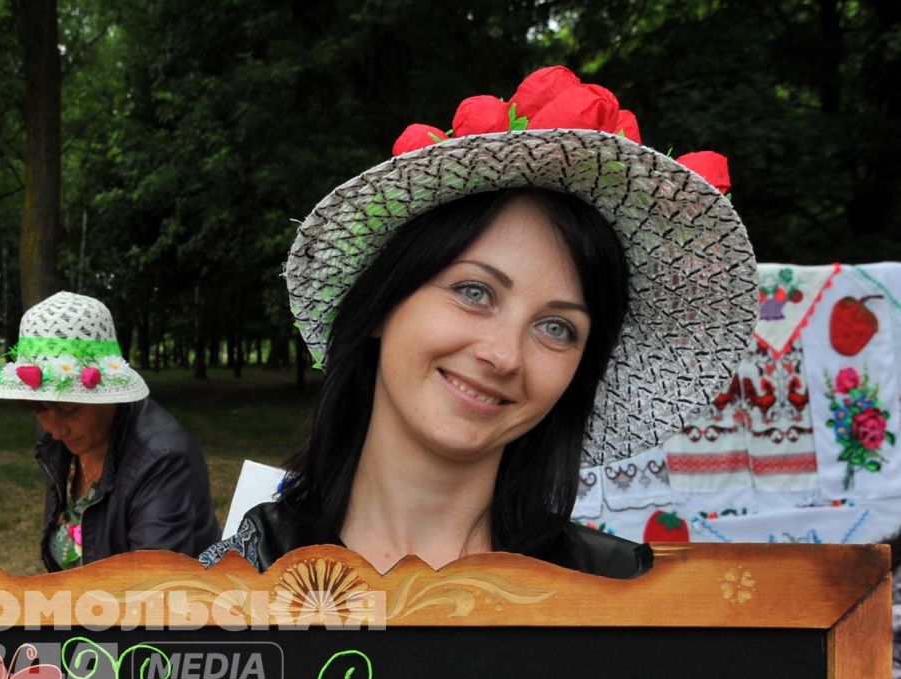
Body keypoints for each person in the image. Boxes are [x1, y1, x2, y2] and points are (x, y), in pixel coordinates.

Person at [200, 67, 755, 577]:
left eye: (557, 328)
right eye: (474, 292)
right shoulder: (231, 587)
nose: (505, 354)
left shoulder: (623, 601)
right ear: (381, 304)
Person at [0, 290, 218, 571]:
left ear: (108, 394)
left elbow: (153, 590)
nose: (55, 430)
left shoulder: (162, 460)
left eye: (70, 410)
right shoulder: (66, 444)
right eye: (39, 409)